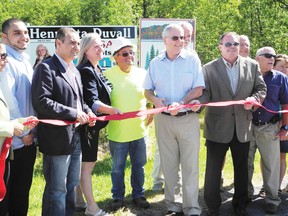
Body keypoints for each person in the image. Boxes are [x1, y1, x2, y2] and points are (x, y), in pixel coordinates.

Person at [193, 32, 266, 216]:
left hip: (243, 127)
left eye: (235, 43)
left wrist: (254, 99)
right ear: (220, 47)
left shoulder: (252, 65)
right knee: (213, 170)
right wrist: (198, 102)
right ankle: (212, 206)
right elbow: (205, 92)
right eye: (228, 44)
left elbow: (261, 88)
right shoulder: (208, 68)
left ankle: (240, 205)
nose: (233, 47)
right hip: (217, 128)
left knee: (242, 170)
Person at [31, 27, 96, 216]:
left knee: (71, 186)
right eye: (72, 43)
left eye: (78, 42)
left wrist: (87, 112)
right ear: (58, 44)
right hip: (56, 140)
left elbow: (79, 101)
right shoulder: (46, 68)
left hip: (75, 136)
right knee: (57, 190)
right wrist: (73, 113)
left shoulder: (73, 70)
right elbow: (41, 102)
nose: (76, 47)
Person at [144, 23, 204, 216]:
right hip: (163, 121)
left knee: (190, 166)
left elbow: (198, 89)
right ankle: (172, 204)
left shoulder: (193, 59)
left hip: (188, 119)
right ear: (165, 40)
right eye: (176, 38)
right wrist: (154, 101)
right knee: (169, 166)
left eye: (183, 38)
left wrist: (182, 102)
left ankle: (192, 207)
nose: (181, 41)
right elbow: (147, 90)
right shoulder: (155, 62)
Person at [76, 33, 121, 216]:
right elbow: (92, 101)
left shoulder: (96, 68)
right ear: (85, 50)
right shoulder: (86, 70)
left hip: (92, 126)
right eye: (96, 46)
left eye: (102, 45)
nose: (101, 48)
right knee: (88, 166)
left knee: (83, 166)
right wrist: (112, 110)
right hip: (88, 126)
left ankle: (78, 201)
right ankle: (92, 208)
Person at [104, 37, 150, 211]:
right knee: (117, 169)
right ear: (115, 57)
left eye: (131, 53)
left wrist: (152, 107)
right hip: (118, 133)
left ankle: (139, 195)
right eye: (125, 54)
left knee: (139, 166)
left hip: (139, 131)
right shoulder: (107, 75)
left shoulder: (142, 73)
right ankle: (117, 198)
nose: (129, 56)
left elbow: (149, 94)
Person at [0, 18, 39, 216]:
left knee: (22, 191)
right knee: (9, 195)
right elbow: (10, 101)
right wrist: (25, 133)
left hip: (27, 138)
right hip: (14, 142)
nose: (23, 37)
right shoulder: (5, 61)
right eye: (17, 33)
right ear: (4, 37)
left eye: (25, 32)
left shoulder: (23, 60)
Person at [247, 47, 288, 215]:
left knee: (271, 165)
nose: (272, 58)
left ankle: (272, 199)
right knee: (245, 163)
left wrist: (285, 127)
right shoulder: (247, 75)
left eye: (273, 56)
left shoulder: (280, 78)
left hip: (270, 127)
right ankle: (246, 194)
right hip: (247, 126)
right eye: (268, 56)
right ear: (257, 58)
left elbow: (286, 104)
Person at [273, 54, 288, 194]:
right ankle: (270, 186)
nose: (284, 69)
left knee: (283, 154)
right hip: (272, 124)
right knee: (271, 156)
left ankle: (277, 187)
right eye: (281, 66)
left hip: (285, 125)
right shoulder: (271, 80)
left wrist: (286, 126)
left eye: (286, 67)